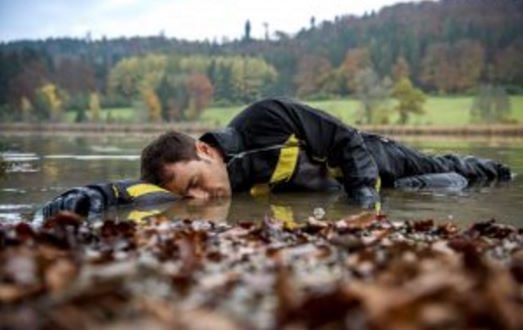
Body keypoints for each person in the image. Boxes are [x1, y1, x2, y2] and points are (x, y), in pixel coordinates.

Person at [42, 97, 512, 219]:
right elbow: (143, 193)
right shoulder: (220, 179)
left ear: (206, 150)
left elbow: (346, 138)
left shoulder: (266, 119)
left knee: (461, 173)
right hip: (356, 188)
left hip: (378, 159)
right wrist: (94, 195)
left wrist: (364, 203)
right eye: (191, 196)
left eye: (196, 183)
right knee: (442, 185)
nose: (204, 199)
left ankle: (505, 171)